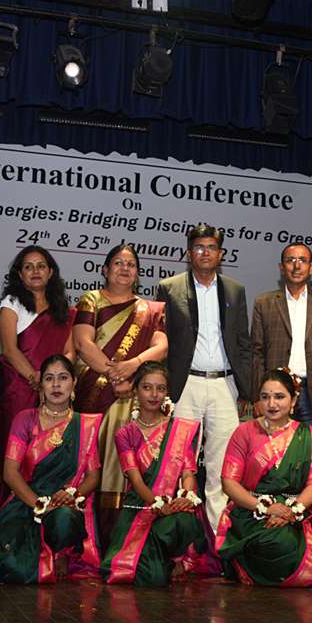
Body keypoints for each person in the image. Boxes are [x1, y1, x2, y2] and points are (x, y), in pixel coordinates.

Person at [155, 224, 253, 532]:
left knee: (222, 465)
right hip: (185, 385)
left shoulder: (235, 290)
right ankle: (176, 536)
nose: (205, 253)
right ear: (189, 253)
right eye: (199, 247)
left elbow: (243, 343)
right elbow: (162, 341)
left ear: (221, 254)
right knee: (177, 461)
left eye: (211, 247)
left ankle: (216, 537)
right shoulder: (169, 288)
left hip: (224, 384)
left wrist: (247, 390)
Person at [72, 243, 167, 532]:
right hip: (95, 394)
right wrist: (116, 375)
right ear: (105, 269)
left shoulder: (152, 309)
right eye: (118, 263)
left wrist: (133, 368)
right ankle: (87, 536)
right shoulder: (91, 300)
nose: (125, 268)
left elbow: (161, 347)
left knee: (130, 464)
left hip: (135, 398)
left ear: (138, 273)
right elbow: (83, 343)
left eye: (131, 264)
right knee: (92, 463)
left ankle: (127, 534)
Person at [0, 355, 102, 583]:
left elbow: (93, 476)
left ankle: (61, 553)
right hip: (25, 503)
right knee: (12, 568)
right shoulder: (25, 419)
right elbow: (10, 473)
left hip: (64, 503)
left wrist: (72, 495)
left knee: (64, 518)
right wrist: (40, 505)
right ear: (41, 385)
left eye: (63, 378)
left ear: (74, 383)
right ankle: (42, 558)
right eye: (49, 378)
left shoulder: (85, 425)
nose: (56, 385)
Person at [102, 362, 210, 586]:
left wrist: (186, 496)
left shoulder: (178, 429)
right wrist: (156, 503)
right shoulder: (125, 434)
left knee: (184, 522)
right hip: (140, 508)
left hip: (173, 509)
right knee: (148, 576)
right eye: (147, 387)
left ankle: (172, 557)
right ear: (135, 390)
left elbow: (188, 473)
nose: (154, 394)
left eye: (160, 389)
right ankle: (161, 561)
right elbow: (135, 479)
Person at [216, 369, 312, 587]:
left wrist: (291, 511)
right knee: (273, 540)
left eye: (279, 397)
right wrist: (265, 508)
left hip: (293, 513)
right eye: (265, 397)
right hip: (250, 511)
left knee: (285, 541)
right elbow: (228, 483)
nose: (272, 404)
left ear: (293, 400)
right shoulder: (244, 432)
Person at [0, 246, 75, 507]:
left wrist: (55, 381)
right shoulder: (12, 304)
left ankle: (51, 506)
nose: (35, 271)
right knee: (15, 453)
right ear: (20, 274)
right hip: (19, 389)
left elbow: (69, 352)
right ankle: (10, 510)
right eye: (28, 267)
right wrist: (36, 379)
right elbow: (9, 349)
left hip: (56, 392)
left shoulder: (63, 310)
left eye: (41, 266)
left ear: (51, 272)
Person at [250, 243, 312, 428]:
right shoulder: (264, 303)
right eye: (290, 260)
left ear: (311, 268)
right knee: (275, 444)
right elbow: (257, 354)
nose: (296, 266)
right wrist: (257, 396)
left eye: (302, 260)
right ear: (281, 267)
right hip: (276, 392)